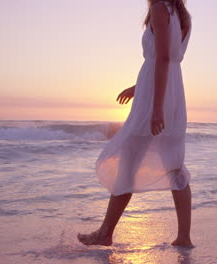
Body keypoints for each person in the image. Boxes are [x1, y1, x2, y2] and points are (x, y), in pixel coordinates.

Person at [77, 0, 193, 247]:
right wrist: (138, 86)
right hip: (172, 93)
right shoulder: (182, 15)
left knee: (128, 162)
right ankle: (184, 237)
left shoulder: (159, 9)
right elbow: (167, 61)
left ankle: (105, 233)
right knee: (174, 165)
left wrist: (156, 108)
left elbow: (162, 58)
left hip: (156, 99)